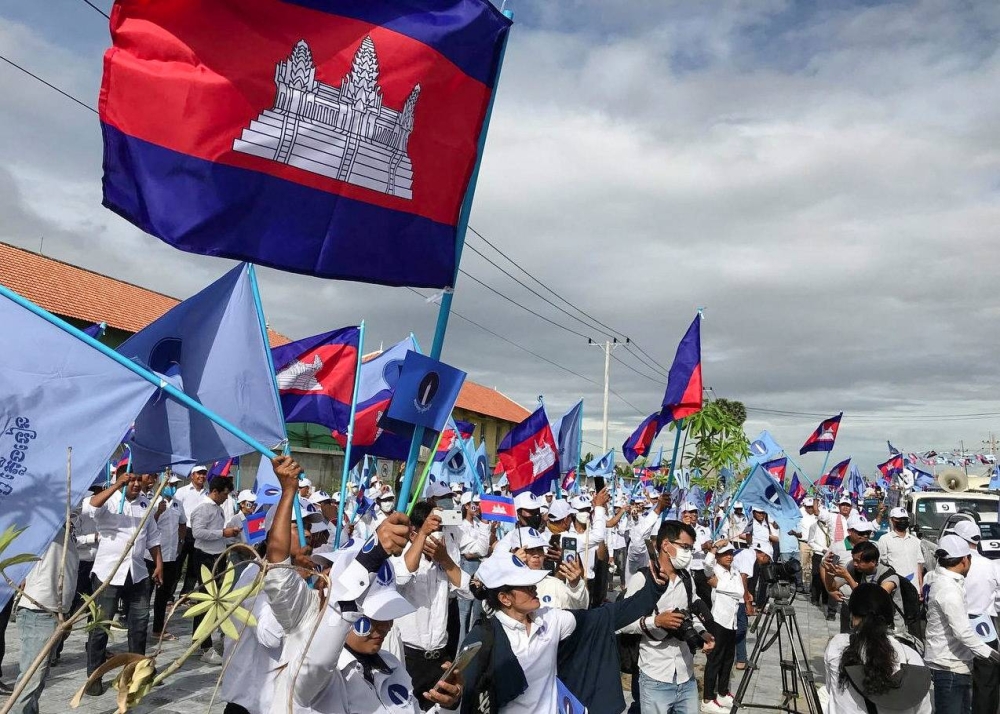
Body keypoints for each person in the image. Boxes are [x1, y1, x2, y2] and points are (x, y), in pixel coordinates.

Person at [262, 454, 461, 714]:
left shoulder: (391, 665)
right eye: (372, 617)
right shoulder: (313, 667)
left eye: (388, 617)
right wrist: (374, 552)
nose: (384, 628)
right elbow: (279, 578)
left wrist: (449, 707)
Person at [459, 543, 665, 714]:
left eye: (532, 583)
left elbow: (607, 617)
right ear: (504, 598)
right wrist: (452, 697)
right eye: (525, 586)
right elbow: (463, 690)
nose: (534, 589)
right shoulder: (482, 640)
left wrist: (653, 589)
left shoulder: (550, 619)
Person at [620, 519, 715, 713]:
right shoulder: (642, 579)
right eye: (684, 547)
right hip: (655, 676)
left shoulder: (686, 579)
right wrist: (656, 622)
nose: (688, 553)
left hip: (685, 674)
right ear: (665, 545)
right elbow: (621, 622)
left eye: (690, 548)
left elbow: (691, 614)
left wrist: (702, 633)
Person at [84, 470, 163, 696]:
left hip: (137, 573)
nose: (137, 484)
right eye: (133, 479)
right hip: (108, 572)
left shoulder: (146, 504)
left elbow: (152, 537)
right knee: (101, 627)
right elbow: (92, 507)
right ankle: (94, 676)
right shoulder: (110, 499)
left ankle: (136, 674)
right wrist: (117, 485)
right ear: (121, 479)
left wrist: (158, 563)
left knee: (139, 626)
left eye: (140, 479)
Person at [392, 501, 472, 710]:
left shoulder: (444, 559)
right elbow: (401, 577)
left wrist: (445, 560)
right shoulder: (400, 556)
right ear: (413, 533)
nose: (436, 535)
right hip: (407, 658)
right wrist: (422, 536)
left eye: (440, 529)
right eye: (432, 529)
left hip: (439, 659)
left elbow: (469, 590)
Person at [823, 583, 931, 714]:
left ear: (853, 617)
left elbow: (831, 689)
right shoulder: (912, 657)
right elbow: (923, 709)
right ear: (889, 619)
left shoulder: (837, 646)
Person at [923, 534, 999, 714]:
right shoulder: (949, 589)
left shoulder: (936, 578)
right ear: (965, 559)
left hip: (954, 663)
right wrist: (992, 655)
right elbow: (962, 632)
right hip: (950, 666)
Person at [10, 525, 78, 714]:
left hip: (57, 610)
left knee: (38, 676)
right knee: (31, 678)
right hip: (38, 608)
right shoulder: (45, 522)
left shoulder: (67, 524)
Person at [943, 520, 1000, 714]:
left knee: (956, 678)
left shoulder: (946, 566)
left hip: (955, 625)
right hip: (984, 626)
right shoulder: (990, 565)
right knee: (987, 682)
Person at [189, 475, 240, 664]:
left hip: (216, 555)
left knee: (212, 599)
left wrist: (229, 535)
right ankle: (203, 645)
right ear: (215, 491)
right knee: (208, 600)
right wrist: (222, 533)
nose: (227, 497)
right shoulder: (203, 508)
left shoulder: (216, 509)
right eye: (225, 494)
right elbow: (198, 533)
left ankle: (200, 640)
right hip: (205, 556)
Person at [824, 541, 899, 634]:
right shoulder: (854, 567)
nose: (855, 564)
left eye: (859, 561)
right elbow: (833, 586)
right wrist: (829, 572)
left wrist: (848, 577)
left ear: (873, 562)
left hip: (889, 628)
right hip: (865, 624)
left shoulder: (889, 578)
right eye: (854, 560)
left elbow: (871, 602)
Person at [702, 542, 742, 713]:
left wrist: (719, 586)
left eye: (731, 553)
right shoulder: (715, 570)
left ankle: (723, 693)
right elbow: (706, 566)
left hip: (731, 621)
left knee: (728, 659)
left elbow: (740, 592)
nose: (729, 556)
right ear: (718, 556)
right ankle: (707, 698)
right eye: (725, 554)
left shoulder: (734, 571)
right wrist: (713, 549)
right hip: (718, 620)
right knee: (715, 660)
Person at [511, 527, 589, 609]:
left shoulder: (554, 584)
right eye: (529, 550)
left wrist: (575, 585)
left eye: (540, 549)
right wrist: (512, 564)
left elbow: (580, 608)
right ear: (515, 552)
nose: (536, 554)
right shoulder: (505, 582)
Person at [151, 474, 186, 640]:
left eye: (175, 484)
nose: (173, 487)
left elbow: (183, 523)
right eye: (170, 484)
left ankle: (158, 628)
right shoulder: (153, 501)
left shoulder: (178, 503)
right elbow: (147, 526)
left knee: (163, 594)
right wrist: (158, 512)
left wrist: (181, 540)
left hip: (171, 555)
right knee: (145, 594)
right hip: (152, 555)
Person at [457, 492, 493, 642]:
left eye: (479, 504)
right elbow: (469, 553)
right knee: (464, 611)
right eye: (475, 504)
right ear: (466, 506)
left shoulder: (480, 523)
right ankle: (460, 648)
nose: (478, 506)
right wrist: (483, 550)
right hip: (467, 566)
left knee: (477, 609)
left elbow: (486, 547)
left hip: (480, 567)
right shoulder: (460, 525)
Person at [173, 464, 209, 597]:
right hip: (184, 530)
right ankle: (170, 595)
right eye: (199, 473)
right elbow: (175, 511)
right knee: (177, 563)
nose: (202, 476)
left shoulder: (208, 493)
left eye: (204, 473)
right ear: (192, 475)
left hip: (199, 533)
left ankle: (185, 594)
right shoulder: (182, 492)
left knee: (194, 566)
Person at [877, 507, 925, 597]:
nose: (902, 521)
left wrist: (920, 586)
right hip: (896, 590)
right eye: (899, 519)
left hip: (914, 589)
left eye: (904, 519)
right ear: (892, 520)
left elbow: (919, 565)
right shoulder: (885, 539)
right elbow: (882, 564)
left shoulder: (915, 540)